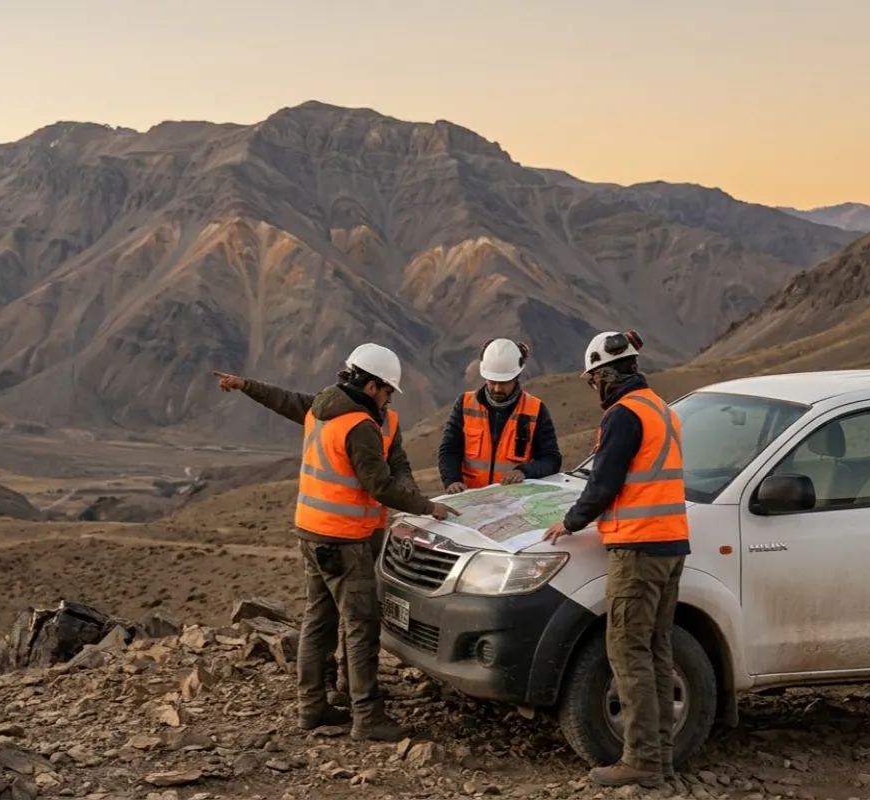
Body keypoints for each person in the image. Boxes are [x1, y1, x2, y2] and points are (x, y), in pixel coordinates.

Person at [214, 344, 459, 741]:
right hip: (345, 540)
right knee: (361, 627)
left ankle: (312, 707)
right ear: (372, 385)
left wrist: (246, 385)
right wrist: (428, 507)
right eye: (388, 391)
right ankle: (368, 718)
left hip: (311, 532)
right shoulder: (359, 425)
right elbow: (380, 486)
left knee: (319, 621)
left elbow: (283, 400)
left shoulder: (322, 407)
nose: (390, 398)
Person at [542, 330, 689, 789]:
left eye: (593, 380)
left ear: (604, 376)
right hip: (670, 544)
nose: (594, 388)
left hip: (639, 548)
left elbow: (604, 483)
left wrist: (570, 521)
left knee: (628, 652)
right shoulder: (662, 410)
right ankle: (660, 757)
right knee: (656, 651)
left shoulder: (624, 415)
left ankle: (641, 760)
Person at [438, 338, 561, 493]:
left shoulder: (535, 410)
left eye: (503, 383)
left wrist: (524, 472)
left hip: (512, 500)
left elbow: (551, 459)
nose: (497, 389)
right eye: (492, 382)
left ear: (516, 377)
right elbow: (449, 450)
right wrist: (452, 480)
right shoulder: (465, 404)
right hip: (469, 498)